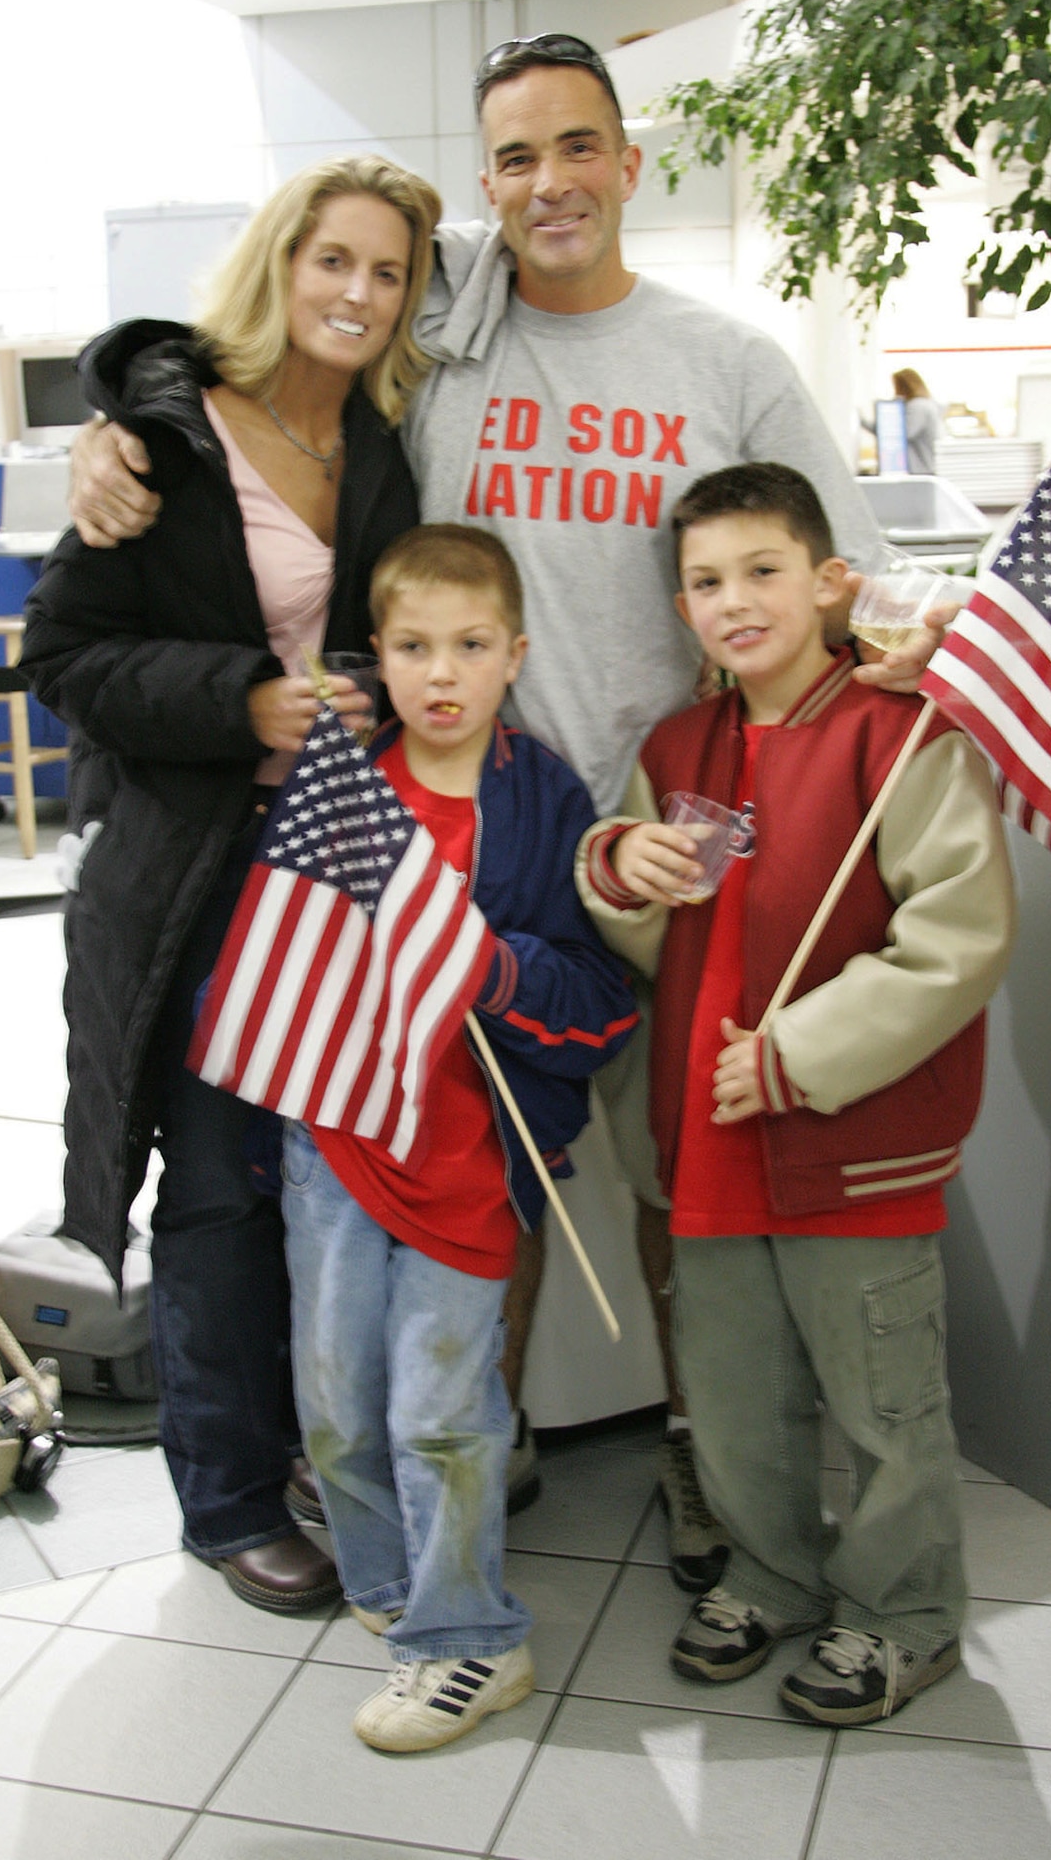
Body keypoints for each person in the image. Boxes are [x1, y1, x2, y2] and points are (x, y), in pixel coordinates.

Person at [62, 33, 949, 1585]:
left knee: (690, 1180)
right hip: (467, 830)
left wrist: (923, 642)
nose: (553, 183)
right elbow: (255, 319)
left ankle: (704, 1453)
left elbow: (843, 569)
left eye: (580, 148)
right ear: (487, 187)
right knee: (477, 1147)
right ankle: (480, 1434)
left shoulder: (725, 358)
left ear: (631, 160)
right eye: (519, 158)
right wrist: (115, 416)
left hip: (680, 826)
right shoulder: (446, 330)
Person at [19, 154, 442, 1616]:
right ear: (282, 261)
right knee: (212, 1189)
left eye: (386, 273)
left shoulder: (382, 443)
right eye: (334, 260)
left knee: (331, 1182)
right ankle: (226, 1497)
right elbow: (58, 659)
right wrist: (242, 699)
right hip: (198, 874)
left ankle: (326, 1449)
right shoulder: (167, 436)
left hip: (339, 866)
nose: (357, 292)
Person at [579, 461, 1016, 1724]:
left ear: (831, 581)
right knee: (733, 1390)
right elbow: (653, 938)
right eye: (706, 581)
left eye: (763, 569)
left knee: (883, 1398)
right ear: (681, 608)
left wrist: (799, 1054)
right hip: (707, 1147)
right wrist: (619, 867)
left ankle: (905, 1608)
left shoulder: (906, 733)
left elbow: (959, 937)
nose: (735, 599)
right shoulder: (674, 748)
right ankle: (771, 1570)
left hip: (855, 1141)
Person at [265, 523, 637, 1752]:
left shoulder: (545, 800)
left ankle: (471, 1635)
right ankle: (388, 1583)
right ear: (378, 655)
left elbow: (596, 994)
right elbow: (281, 966)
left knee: (441, 1404)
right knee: (335, 1397)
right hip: (337, 1137)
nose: (442, 672)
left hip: (473, 1155)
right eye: (415, 646)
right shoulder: (344, 786)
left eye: (470, 646)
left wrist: (487, 964)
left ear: (513, 654)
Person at [865, 368, 944, 475]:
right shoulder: (926, 404)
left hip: (918, 469)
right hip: (924, 468)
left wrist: (865, 422)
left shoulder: (917, 406)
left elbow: (902, 433)